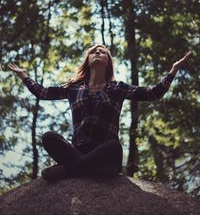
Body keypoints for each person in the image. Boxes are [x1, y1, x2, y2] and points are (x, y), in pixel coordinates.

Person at [8, 45, 191, 181]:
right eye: (93, 51)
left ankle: (68, 170)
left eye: (102, 51)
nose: (97, 52)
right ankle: (88, 168)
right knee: (48, 136)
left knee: (113, 145)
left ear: (108, 62)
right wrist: (24, 75)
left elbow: (153, 93)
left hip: (105, 154)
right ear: (87, 60)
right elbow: (43, 92)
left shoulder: (117, 88)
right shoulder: (74, 88)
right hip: (78, 151)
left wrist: (173, 71)